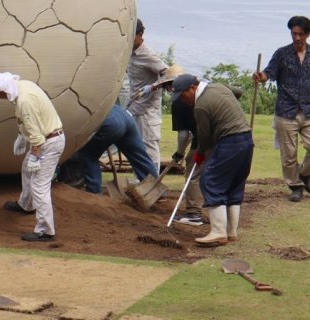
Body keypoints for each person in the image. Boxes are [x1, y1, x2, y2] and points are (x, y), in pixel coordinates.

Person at [254, 15, 310, 202]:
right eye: (293, 34)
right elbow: (268, 73)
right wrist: (260, 76)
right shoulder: (281, 53)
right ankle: (295, 186)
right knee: (289, 155)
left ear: (308, 34)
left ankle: (305, 174)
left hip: (309, 110)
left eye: (300, 34)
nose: (296, 38)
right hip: (285, 111)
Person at [171, 74, 254, 247]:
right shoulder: (219, 87)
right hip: (246, 140)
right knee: (234, 185)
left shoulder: (200, 107)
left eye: (183, 95)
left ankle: (218, 232)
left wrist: (200, 154)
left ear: (193, 88)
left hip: (229, 142)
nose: (183, 100)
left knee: (210, 181)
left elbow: (204, 137)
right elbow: (238, 92)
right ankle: (231, 232)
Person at [0, 72, 65, 242]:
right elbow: (34, 121)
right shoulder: (24, 85)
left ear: (1, 89)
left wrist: (35, 156)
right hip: (49, 137)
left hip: (48, 143)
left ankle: (45, 230)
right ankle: (26, 205)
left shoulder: (23, 101)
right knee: (26, 170)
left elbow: (37, 137)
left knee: (39, 186)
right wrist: (22, 135)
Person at [74, 103, 157, 194]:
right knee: (140, 157)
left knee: (87, 156)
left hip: (110, 123)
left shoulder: (75, 109)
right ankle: (155, 191)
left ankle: (94, 193)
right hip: (125, 115)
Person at [122, 19, 169, 170]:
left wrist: (153, 86)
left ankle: (152, 182)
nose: (128, 39)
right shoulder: (130, 53)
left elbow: (168, 74)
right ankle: (141, 179)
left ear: (140, 34)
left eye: (132, 36)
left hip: (148, 110)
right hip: (134, 107)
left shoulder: (148, 55)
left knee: (149, 146)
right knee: (138, 146)